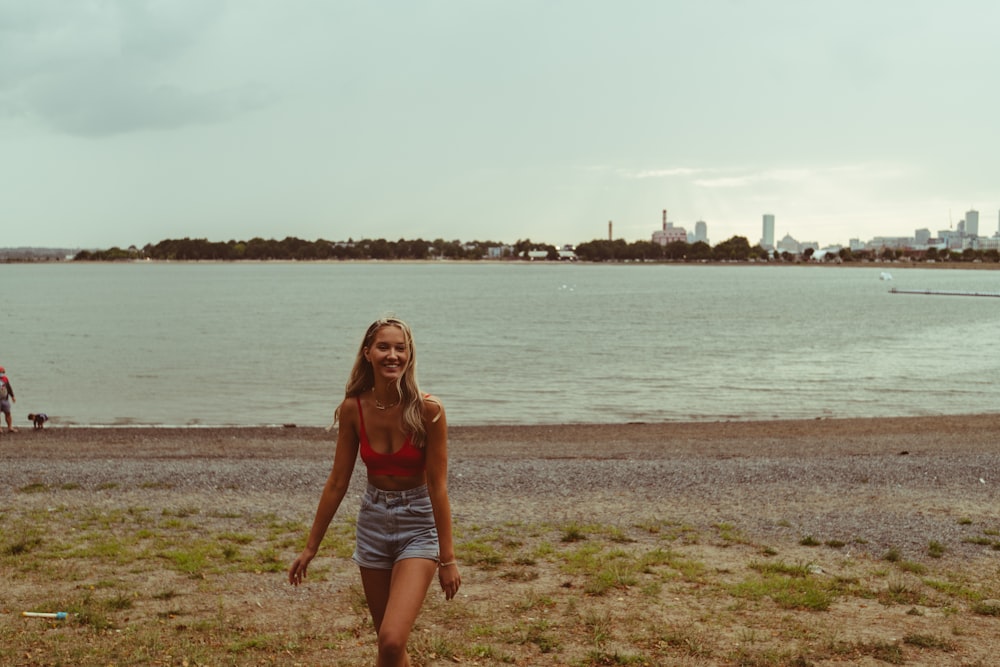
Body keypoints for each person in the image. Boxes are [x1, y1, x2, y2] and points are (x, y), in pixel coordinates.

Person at [288, 317, 460, 666]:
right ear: (368, 353)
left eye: (400, 348)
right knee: (389, 646)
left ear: (410, 355)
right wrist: (310, 548)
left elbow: (438, 487)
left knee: (392, 639)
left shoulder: (429, 410)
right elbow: (338, 481)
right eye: (383, 347)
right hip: (373, 525)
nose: (392, 355)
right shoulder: (354, 408)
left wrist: (448, 558)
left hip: (417, 524)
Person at [0, 367, 16, 433]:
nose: (2, 373)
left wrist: (12, 396)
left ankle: (10, 427)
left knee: (8, 413)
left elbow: (9, 387)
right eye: (1, 372)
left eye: (3, 372)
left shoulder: (5, 379)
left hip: (5, 399)